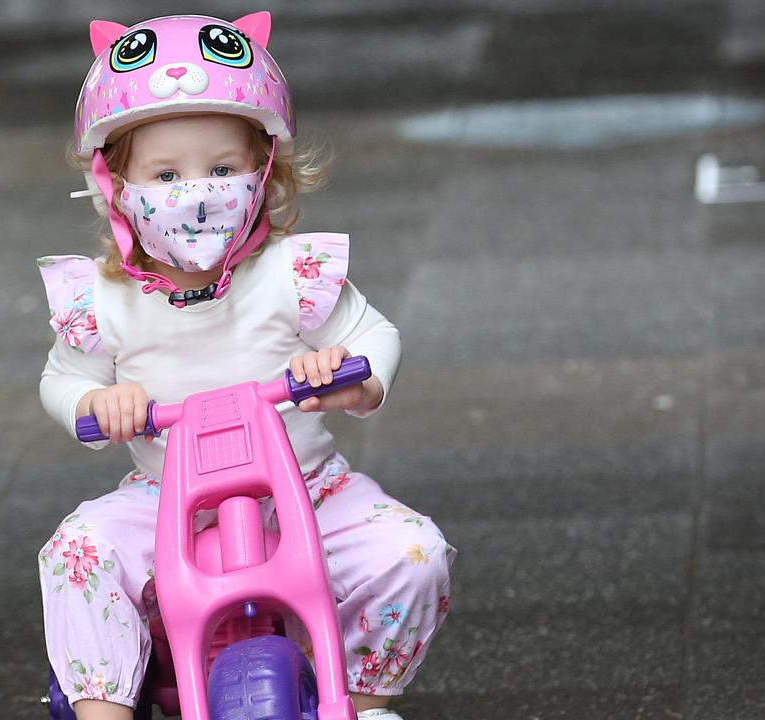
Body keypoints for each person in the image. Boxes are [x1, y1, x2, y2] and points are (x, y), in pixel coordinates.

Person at [36, 12, 455, 720]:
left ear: (263, 171)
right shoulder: (105, 297)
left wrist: (354, 377)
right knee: (79, 549)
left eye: (221, 169)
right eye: (165, 174)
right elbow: (62, 376)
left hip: (307, 490)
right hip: (164, 494)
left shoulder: (293, 274)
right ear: (117, 185)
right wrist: (94, 403)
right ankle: (101, 707)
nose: (195, 193)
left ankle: (363, 698)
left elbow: (372, 331)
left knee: (411, 552)